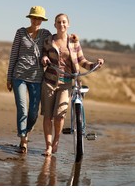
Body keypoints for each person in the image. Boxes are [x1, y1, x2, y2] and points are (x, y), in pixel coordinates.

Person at [41, 13, 104, 156]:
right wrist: (44, 58)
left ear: (68, 24)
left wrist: (95, 64)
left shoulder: (74, 42)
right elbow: (43, 55)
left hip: (67, 83)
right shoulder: (48, 40)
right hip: (49, 82)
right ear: (54, 24)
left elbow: (82, 61)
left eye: (64, 22)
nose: (61, 24)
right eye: (58, 22)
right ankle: (48, 146)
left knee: (59, 116)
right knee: (47, 116)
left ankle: (56, 140)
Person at [7, 6, 51, 154]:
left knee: (33, 112)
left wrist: (72, 39)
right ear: (30, 18)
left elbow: (58, 42)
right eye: (34, 17)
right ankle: (23, 140)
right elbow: (13, 55)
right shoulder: (20, 32)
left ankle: (27, 129)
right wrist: (9, 77)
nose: (36, 20)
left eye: (39, 18)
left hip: (37, 77)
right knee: (22, 108)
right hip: (19, 75)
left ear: (42, 20)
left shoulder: (46, 34)